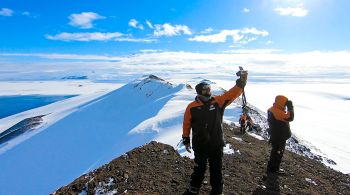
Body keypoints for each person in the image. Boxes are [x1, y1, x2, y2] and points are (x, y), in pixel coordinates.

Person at [182, 73, 248, 195]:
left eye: (209, 89)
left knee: (216, 168)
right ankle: (193, 188)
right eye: (205, 89)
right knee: (199, 168)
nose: (208, 91)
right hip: (200, 144)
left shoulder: (218, 101)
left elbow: (231, 94)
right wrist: (186, 139)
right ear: (199, 92)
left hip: (216, 143)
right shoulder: (191, 107)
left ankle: (217, 190)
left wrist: (240, 83)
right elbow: (186, 124)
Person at [266, 95, 294, 174]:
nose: (286, 105)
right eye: (285, 103)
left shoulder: (273, 109)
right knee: (278, 153)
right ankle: (273, 170)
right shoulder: (277, 112)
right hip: (279, 137)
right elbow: (290, 117)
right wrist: (290, 107)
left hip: (276, 135)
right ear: (281, 102)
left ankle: (271, 168)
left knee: (275, 152)